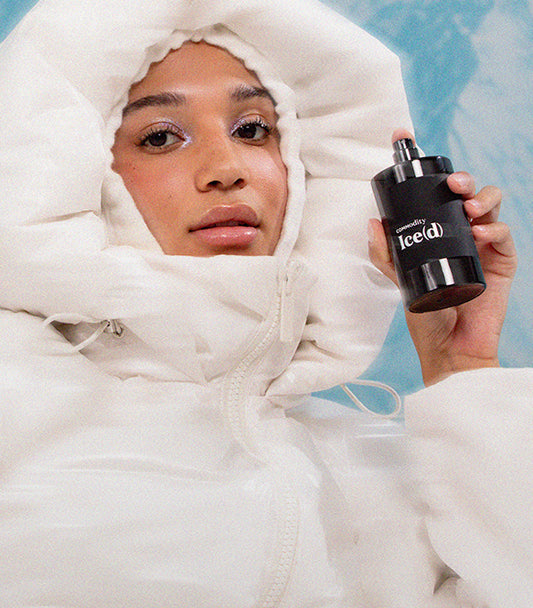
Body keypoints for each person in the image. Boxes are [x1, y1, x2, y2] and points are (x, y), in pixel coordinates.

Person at [0, 1, 530, 607]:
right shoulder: (14, 399)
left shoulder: (390, 472)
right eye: (161, 137)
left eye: (252, 130)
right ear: (77, 169)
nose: (226, 169)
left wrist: (463, 369)